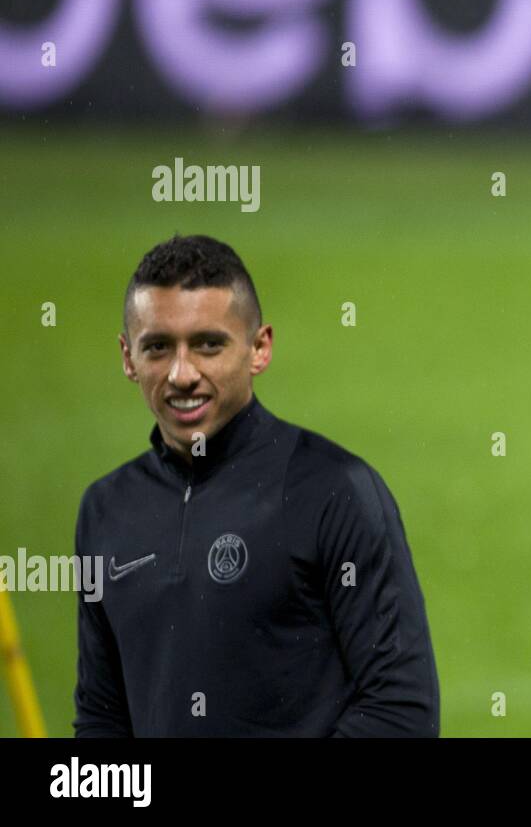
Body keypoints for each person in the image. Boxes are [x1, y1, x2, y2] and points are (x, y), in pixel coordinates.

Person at [74, 234, 438, 736]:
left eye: (208, 344)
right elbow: (101, 718)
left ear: (258, 348)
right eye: (158, 347)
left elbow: (401, 711)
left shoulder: (335, 492)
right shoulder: (105, 510)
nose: (182, 374)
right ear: (128, 357)